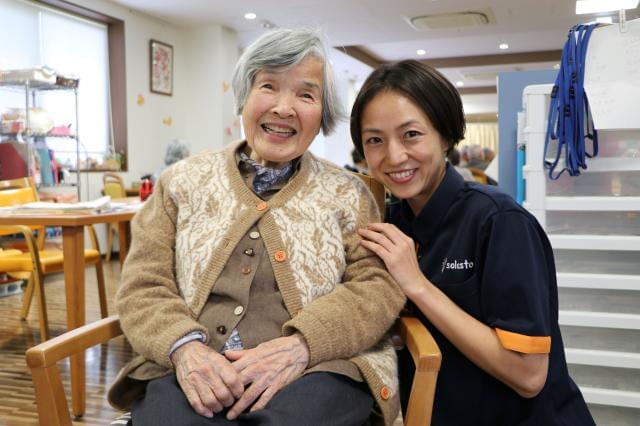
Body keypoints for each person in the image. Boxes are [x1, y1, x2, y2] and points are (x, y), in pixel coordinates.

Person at [108, 28, 405, 426]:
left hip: (316, 370)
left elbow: (376, 286)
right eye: (268, 86)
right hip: (192, 366)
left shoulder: (348, 193)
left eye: (305, 94)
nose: (284, 108)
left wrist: (303, 344)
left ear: (322, 115)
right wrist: (186, 350)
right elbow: (143, 284)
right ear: (244, 97)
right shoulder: (180, 182)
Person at [351, 60, 594, 425]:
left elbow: (529, 375)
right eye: (375, 140)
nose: (394, 155)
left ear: (446, 135)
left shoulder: (498, 221)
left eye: (411, 134)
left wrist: (418, 286)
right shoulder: (388, 222)